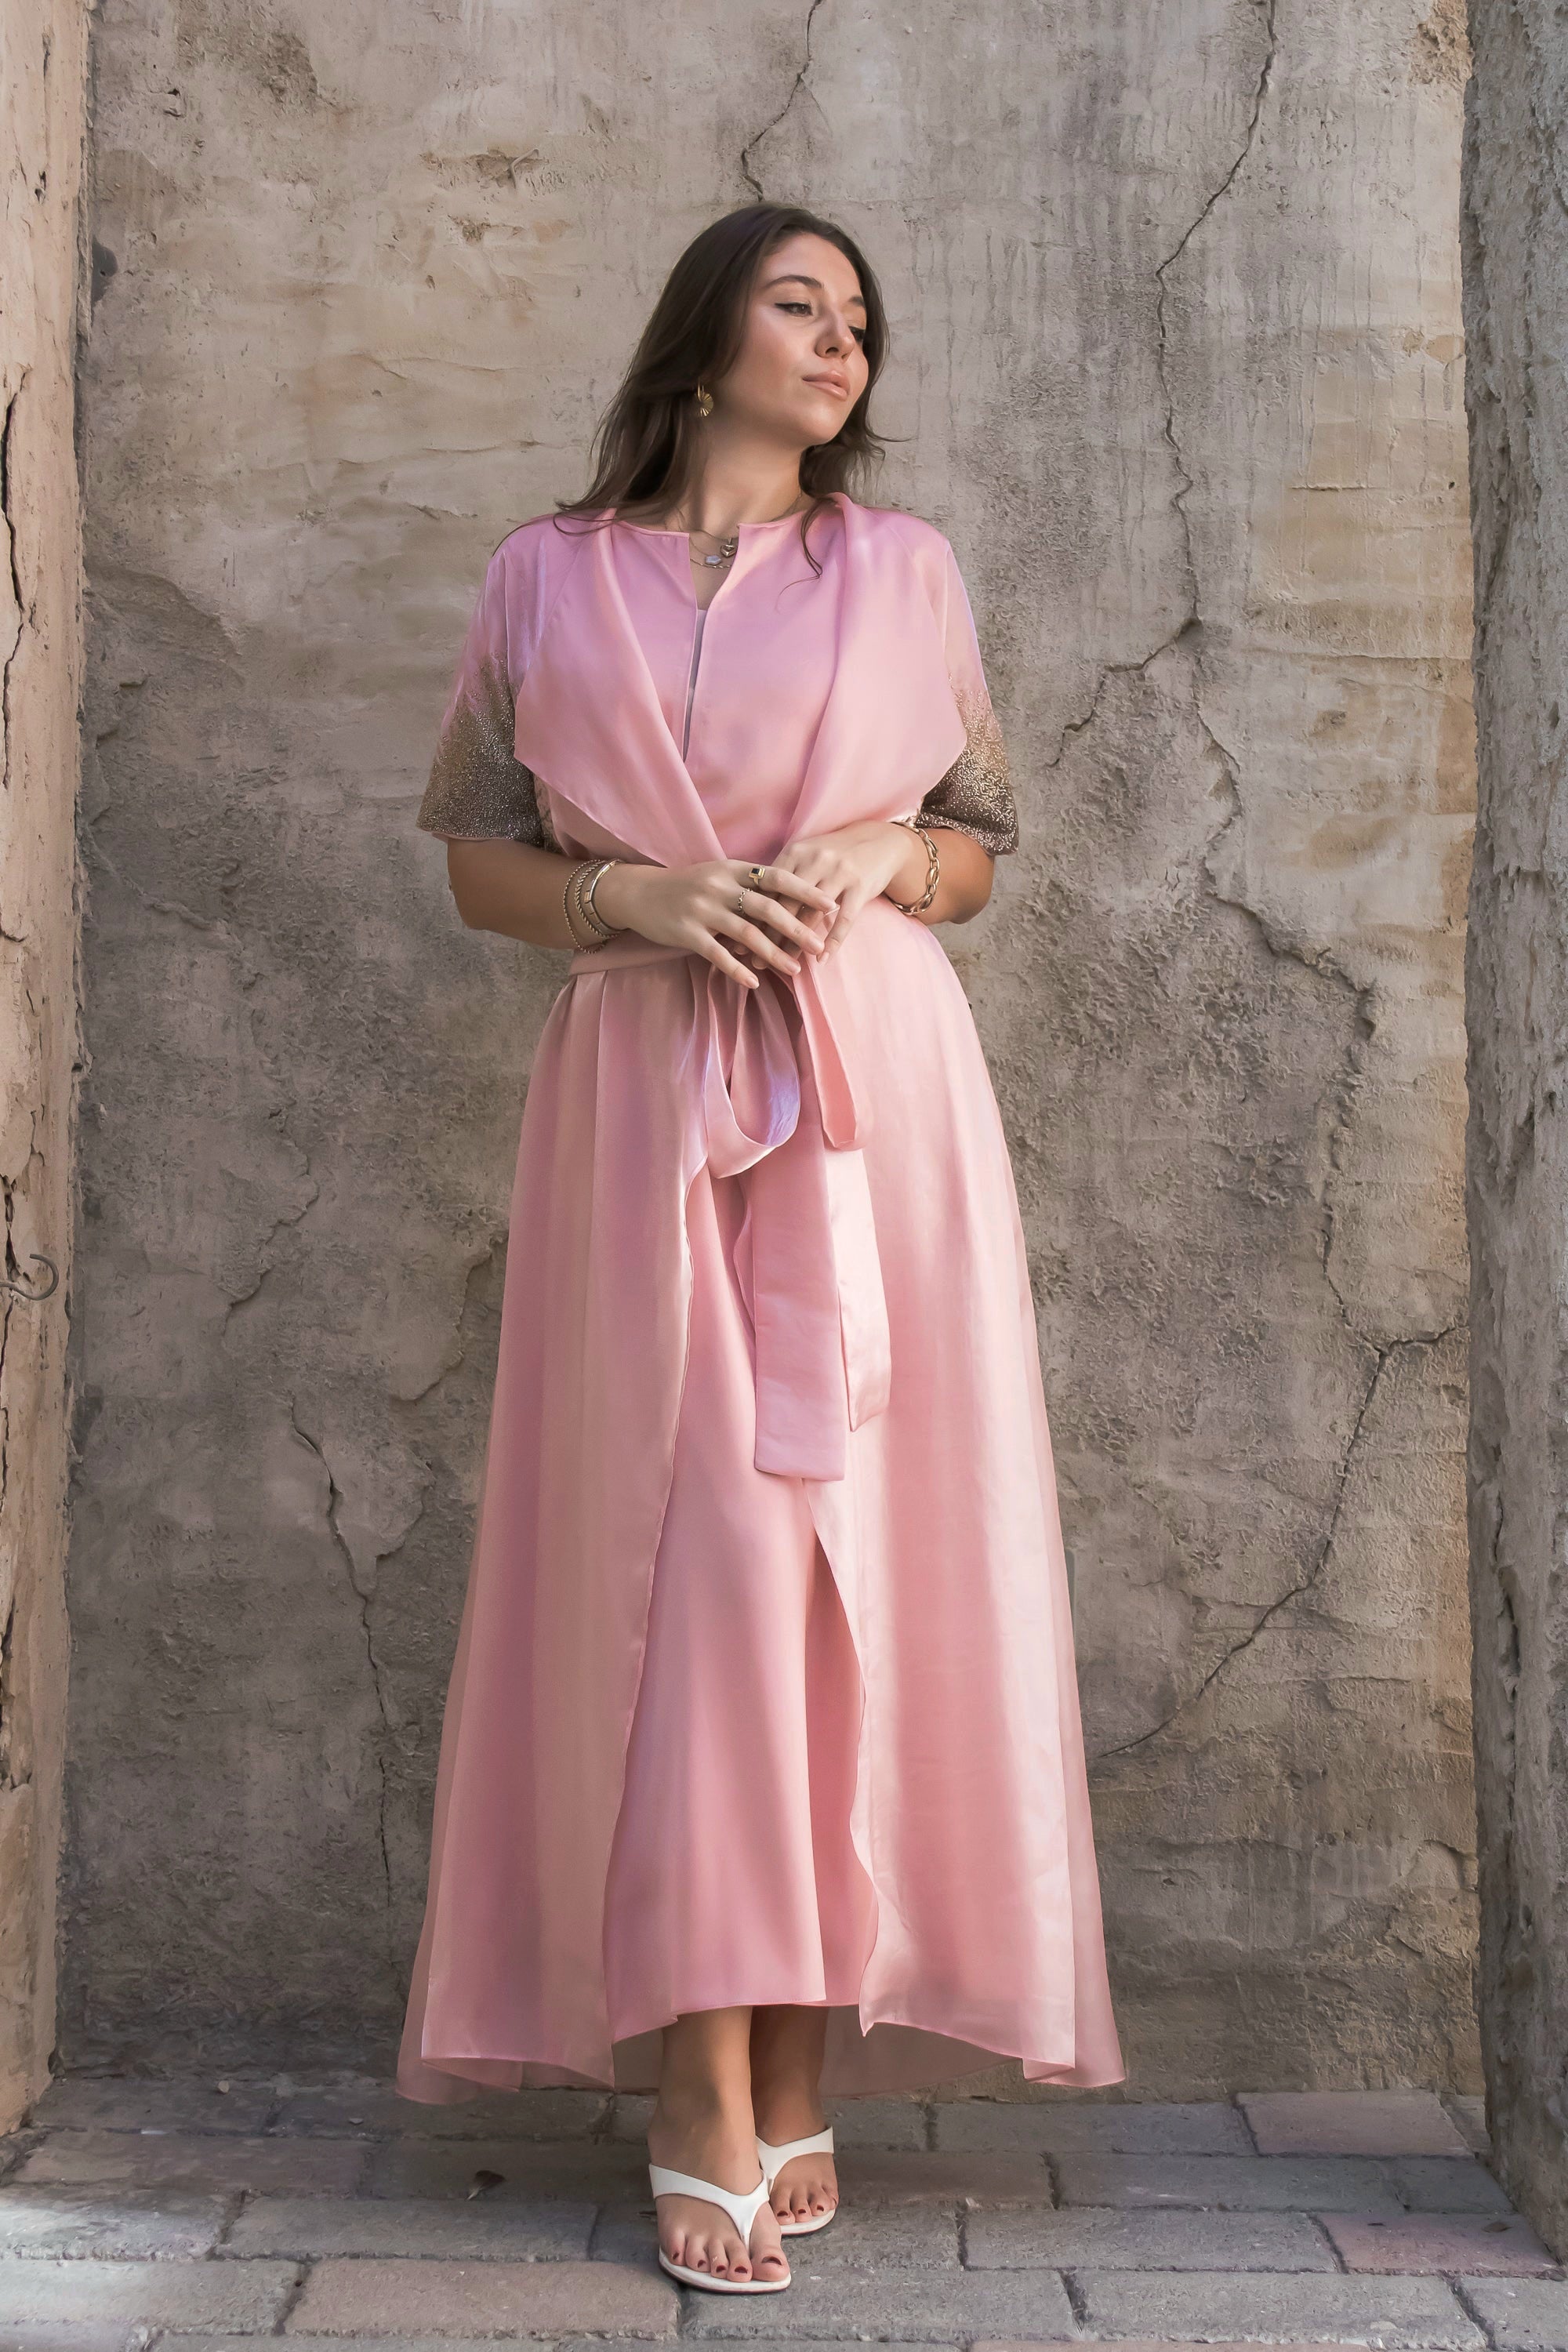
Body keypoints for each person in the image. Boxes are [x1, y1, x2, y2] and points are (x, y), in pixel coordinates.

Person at [397, 199, 1123, 2296]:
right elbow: (478, 858)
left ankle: (800, 2040)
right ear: (703, 327)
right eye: (802, 303)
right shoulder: (546, 576)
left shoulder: (905, 574)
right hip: (642, 1091)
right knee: (693, 1557)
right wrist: (628, 906)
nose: (842, 342)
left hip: (875, 1097)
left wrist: (899, 847)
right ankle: (699, 2082)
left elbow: (978, 847)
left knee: (853, 1560)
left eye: (863, 321)